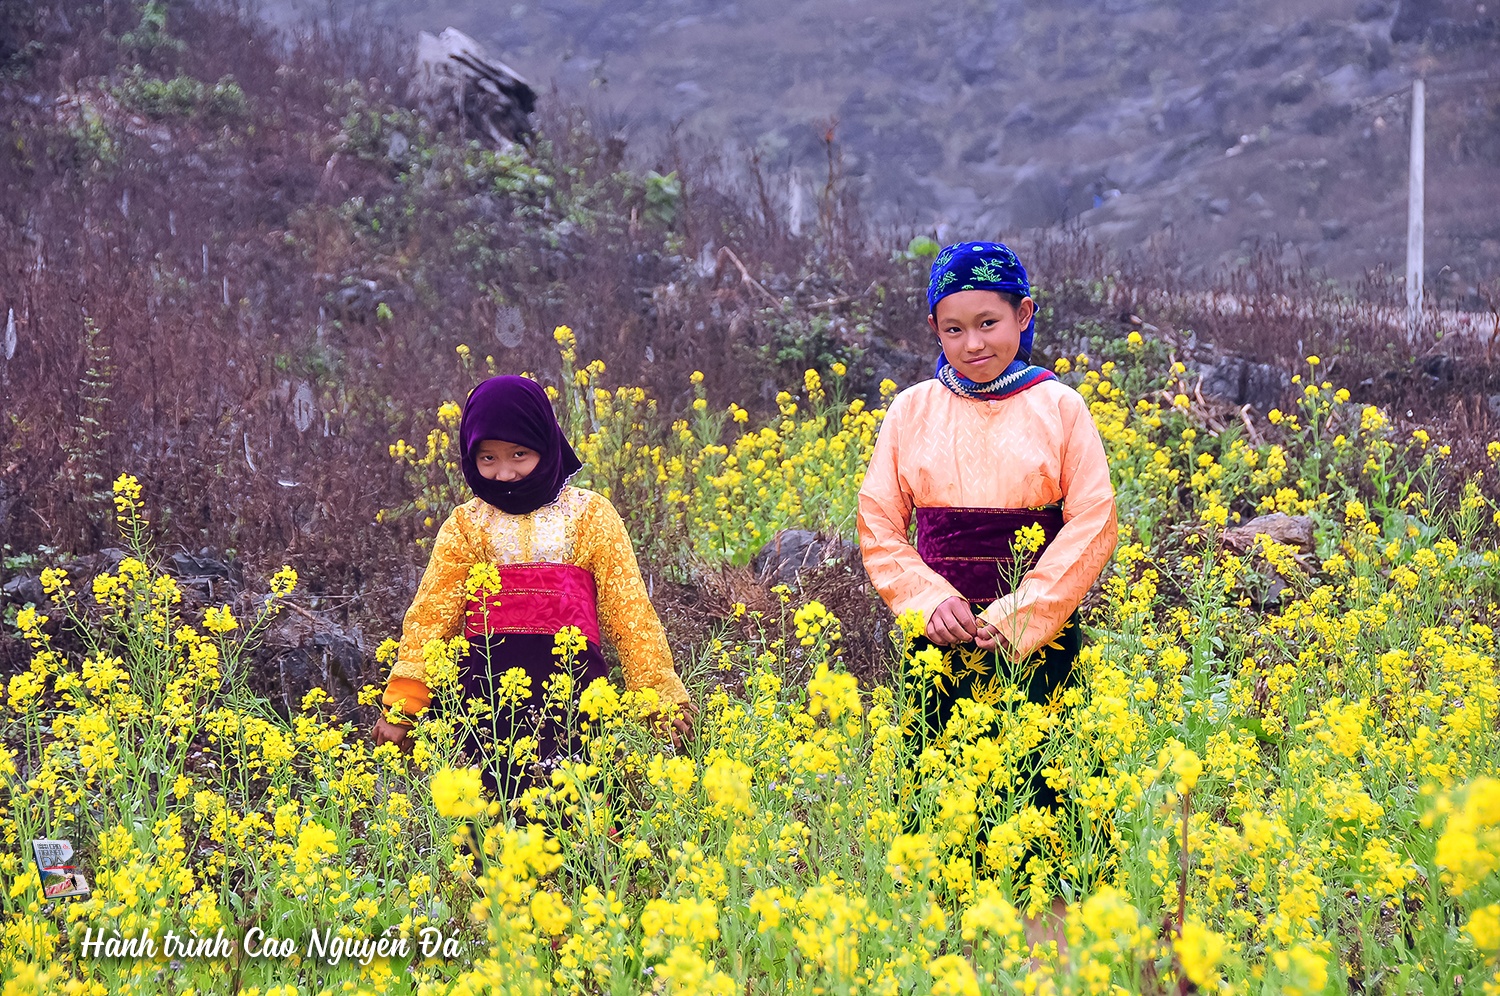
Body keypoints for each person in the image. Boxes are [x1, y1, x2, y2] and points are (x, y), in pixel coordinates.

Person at [856, 241, 1118, 935]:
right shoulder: (911, 411)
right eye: (954, 328)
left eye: (989, 323)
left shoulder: (1060, 407)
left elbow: (1094, 520)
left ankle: (1050, 955)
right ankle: (950, 953)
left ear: (1023, 315)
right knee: (941, 806)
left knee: (1047, 804)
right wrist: (926, 600)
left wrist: (1025, 612)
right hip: (939, 642)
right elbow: (878, 522)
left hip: (1038, 644)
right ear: (933, 330)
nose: (973, 343)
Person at [373, 375, 694, 797]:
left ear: (545, 443)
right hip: (484, 711)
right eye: (487, 458)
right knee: (489, 822)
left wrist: (659, 699)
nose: (504, 473)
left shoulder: (590, 516)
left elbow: (630, 613)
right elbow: (431, 619)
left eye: (519, 454)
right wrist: (403, 705)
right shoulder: (466, 525)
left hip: (577, 703)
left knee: (579, 819)